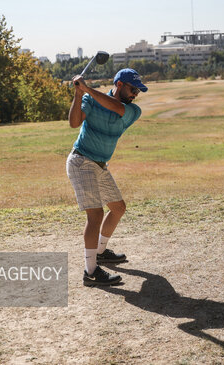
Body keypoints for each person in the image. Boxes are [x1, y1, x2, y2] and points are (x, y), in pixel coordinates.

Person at [67, 68, 147, 286]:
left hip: (99, 165)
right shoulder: (90, 101)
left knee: (118, 208)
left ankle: (100, 252)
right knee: (95, 215)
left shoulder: (132, 111)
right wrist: (78, 93)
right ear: (119, 85)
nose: (135, 95)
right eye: (133, 89)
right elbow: (74, 123)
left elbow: (114, 106)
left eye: (138, 91)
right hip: (81, 161)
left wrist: (87, 89)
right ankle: (90, 271)